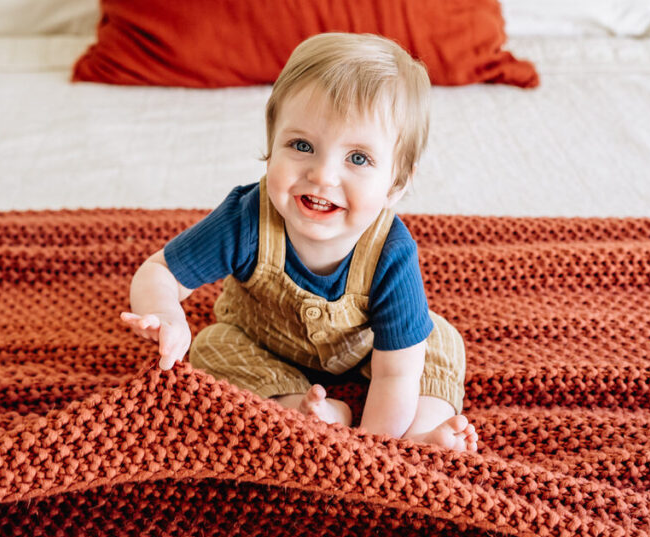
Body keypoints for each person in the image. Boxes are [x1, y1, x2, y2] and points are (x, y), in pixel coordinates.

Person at [122, 32, 476, 451]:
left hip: (369, 352)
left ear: (395, 184)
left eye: (357, 158)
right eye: (302, 145)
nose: (323, 175)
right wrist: (166, 315)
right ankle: (307, 410)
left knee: (437, 345)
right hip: (263, 345)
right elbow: (160, 271)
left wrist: (370, 448)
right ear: (271, 146)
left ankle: (420, 433)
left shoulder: (391, 252)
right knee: (211, 347)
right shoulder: (247, 219)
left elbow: (395, 374)